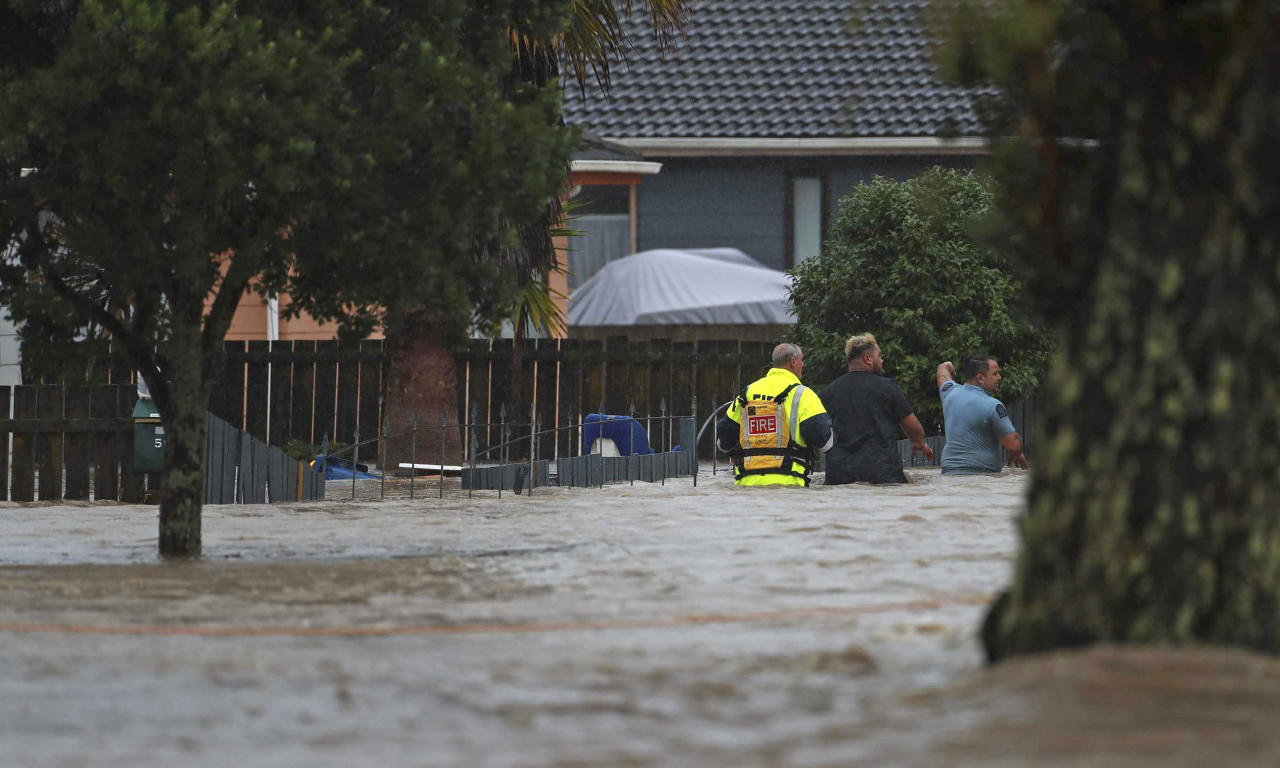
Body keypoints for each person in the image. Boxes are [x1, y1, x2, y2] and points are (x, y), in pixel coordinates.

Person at [820, 333, 933, 485]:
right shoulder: (887, 387)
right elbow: (915, 429)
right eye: (879, 356)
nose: (882, 360)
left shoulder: (829, 391)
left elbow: (819, 430)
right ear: (867, 359)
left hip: (839, 476)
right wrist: (919, 443)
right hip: (882, 475)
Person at [716, 343, 833, 487]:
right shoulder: (803, 395)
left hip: (746, 487)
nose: (803, 364)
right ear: (793, 361)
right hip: (790, 485)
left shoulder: (747, 393)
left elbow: (723, 442)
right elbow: (825, 442)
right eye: (802, 360)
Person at [936, 355, 1028, 473]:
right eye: (995, 374)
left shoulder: (948, 392)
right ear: (980, 378)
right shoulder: (993, 405)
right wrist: (1018, 452)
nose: (999, 377)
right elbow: (1014, 445)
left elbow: (941, 374)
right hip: (982, 478)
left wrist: (945, 365)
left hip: (949, 475)